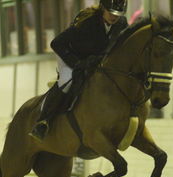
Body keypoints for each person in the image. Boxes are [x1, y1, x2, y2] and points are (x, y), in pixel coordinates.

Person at [30, 0, 129, 141]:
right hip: (70, 56)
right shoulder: (87, 22)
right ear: (103, 8)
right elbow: (56, 43)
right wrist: (77, 63)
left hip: (93, 61)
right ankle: (43, 121)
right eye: (111, 13)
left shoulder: (121, 23)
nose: (114, 17)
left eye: (118, 14)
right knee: (67, 81)